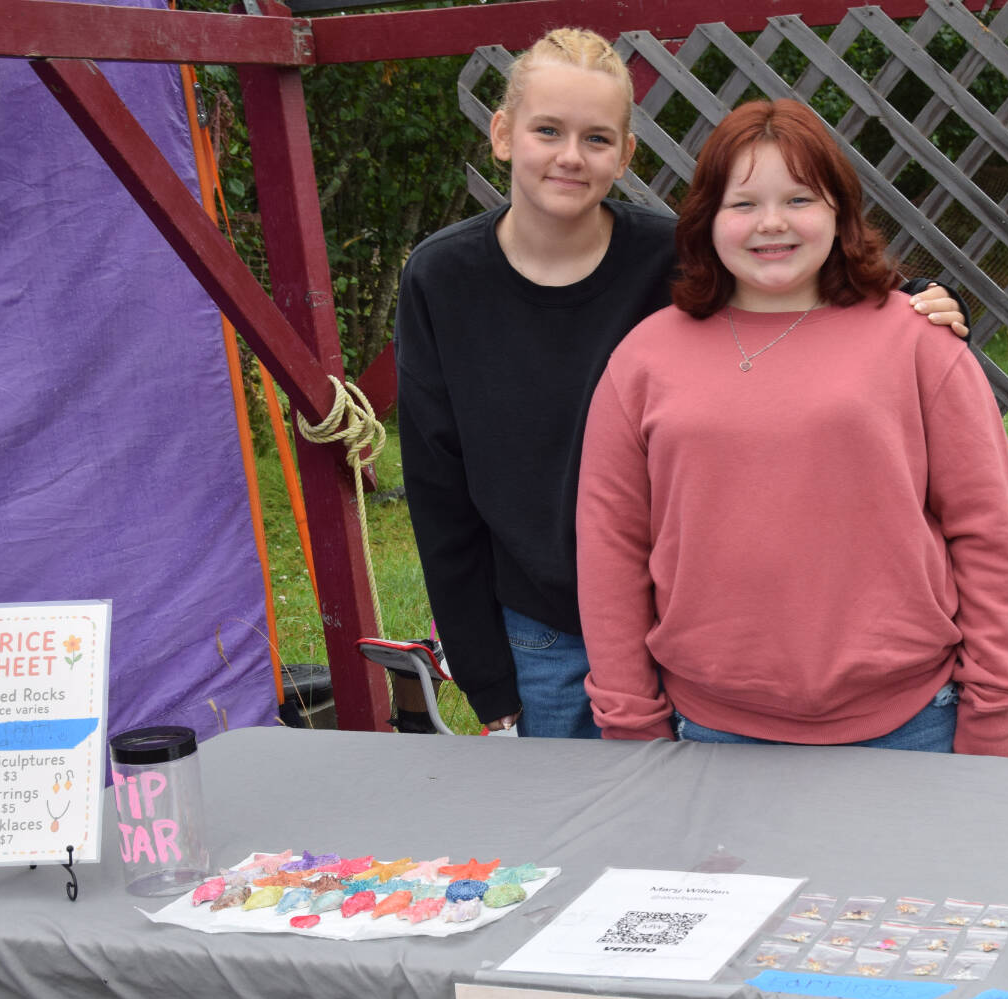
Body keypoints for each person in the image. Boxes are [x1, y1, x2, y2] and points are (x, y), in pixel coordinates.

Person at [396, 29, 966, 738]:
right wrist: (484, 673)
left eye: (597, 138)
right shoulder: (441, 278)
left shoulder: (672, 261)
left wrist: (916, 298)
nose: (571, 156)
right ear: (503, 134)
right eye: (548, 131)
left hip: (678, 621)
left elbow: (797, 291)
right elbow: (436, 487)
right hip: (540, 627)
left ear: (626, 154)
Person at [577, 99, 1008, 755]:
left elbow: (988, 533)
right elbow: (611, 551)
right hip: (711, 729)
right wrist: (629, 721)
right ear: (707, 219)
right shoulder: (645, 359)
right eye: (744, 204)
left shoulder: (918, 341)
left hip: (912, 723)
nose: (772, 224)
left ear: (839, 212)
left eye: (799, 199)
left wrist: (992, 709)